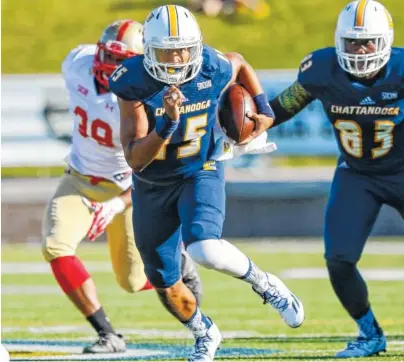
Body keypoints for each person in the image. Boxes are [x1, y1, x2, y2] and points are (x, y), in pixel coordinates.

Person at [109, 5, 304, 361]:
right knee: (166, 283)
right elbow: (136, 158)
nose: (178, 58)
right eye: (167, 51)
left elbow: (239, 62)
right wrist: (167, 122)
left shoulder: (212, 66)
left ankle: (267, 286)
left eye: (184, 48)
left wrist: (264, 109)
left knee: (205, 248)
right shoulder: (132, 81)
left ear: (196, 45)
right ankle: (205, 332)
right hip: (152, 184)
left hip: (201, 168)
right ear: (148, 50)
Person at [41, 19, 202, 354]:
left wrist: (116, 204)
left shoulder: (148, 97)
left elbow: (148, 164)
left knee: (131, 281)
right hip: (80, 179)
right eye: (107, 56)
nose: (109, 66)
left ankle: (178, 267)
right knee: (56, 246)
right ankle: (107, 334)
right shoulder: (78, 63)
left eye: (120, 60)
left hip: (129, 187)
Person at [269, 0, 402, 358]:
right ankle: (369, 334)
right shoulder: (321, 70)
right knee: (339, 259)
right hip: (357, 174)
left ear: (385, 41)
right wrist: (247, 124)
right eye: (351, 43)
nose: (359, 51)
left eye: (368, 43)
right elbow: (282, 107)